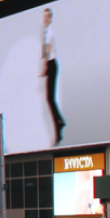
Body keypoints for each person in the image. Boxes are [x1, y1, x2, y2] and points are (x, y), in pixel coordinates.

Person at [40, 9, 66, 144]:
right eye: (43, 17)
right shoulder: (46, 32)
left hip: (52, 64)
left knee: (50, 98)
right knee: (50, 98)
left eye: (46, 17)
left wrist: (45, 66)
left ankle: (59, 125)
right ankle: (59, 123)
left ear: (50, 18)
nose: (44, 19)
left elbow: (48, 50)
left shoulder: (49, 31)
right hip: (51, 65)